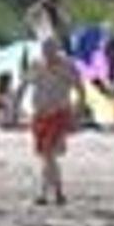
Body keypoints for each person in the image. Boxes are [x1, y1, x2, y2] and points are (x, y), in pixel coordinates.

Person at [26, 36, 83, 205]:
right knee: (45, 155)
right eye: (45, 50)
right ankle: (56, 193)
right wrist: (13, 110)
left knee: (49, 153)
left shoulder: (68, 66)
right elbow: (24, 85)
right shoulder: (37, 65)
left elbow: (80, 90)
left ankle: (48, 193)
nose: (48, 54)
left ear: (57, 50)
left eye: (51, 50)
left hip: (58, 113)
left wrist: (78, 113)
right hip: (39, 115)